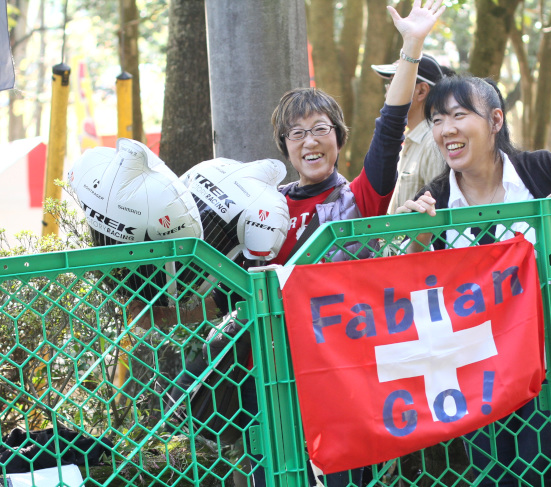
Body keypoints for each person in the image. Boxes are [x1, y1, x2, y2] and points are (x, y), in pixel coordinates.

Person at [129, 1, 446, 486]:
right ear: (285, 146)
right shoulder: (257, 208)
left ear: (338, 139)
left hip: (343, 374)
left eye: (321, 129)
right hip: (269, 379)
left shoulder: (360, 197)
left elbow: (389, 127)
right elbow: (226, 294)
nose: (310, 140)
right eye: (297, 133)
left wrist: (411, 47)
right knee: (270, 476)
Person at [395, 75, 551, 486]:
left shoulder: (539, 171)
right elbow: (412, 282)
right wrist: (419, 235)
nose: (447, 130)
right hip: (476, 373)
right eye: (437, 120)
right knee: (492, 475)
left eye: (460, 115)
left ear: (495, 120)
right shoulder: (436, 198)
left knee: (548, 471)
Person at [371, 53, 454, 214]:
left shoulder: (433, 144)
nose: (388, 92)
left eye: (394, 82)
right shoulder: (409, 141)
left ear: (421, 91)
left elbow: (439, 214)